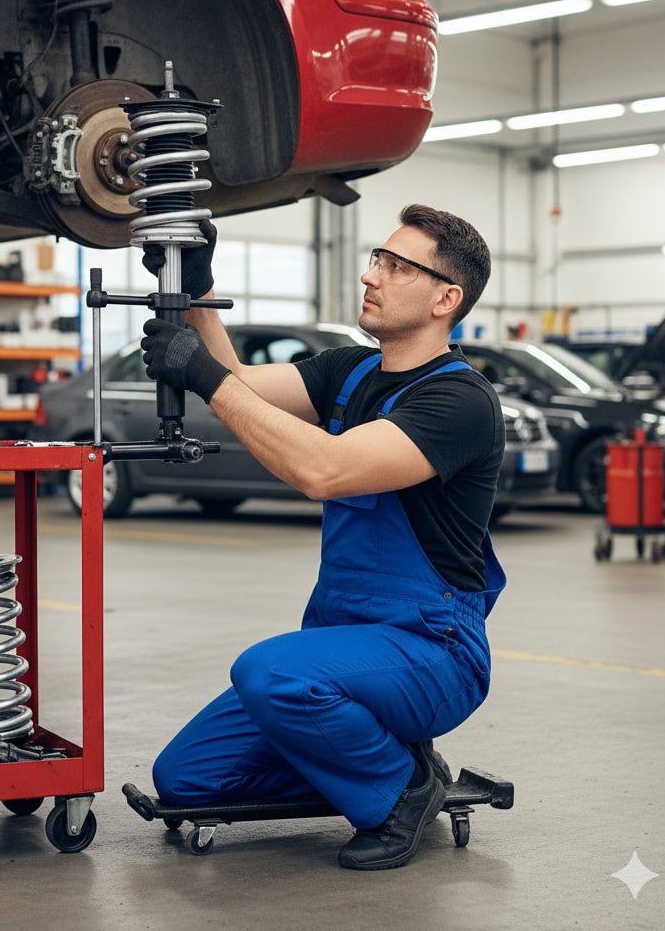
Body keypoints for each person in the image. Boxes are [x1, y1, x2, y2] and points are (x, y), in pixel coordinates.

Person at [139, 204, 506, 871]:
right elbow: (243, 387)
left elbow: (323, 470)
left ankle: (401, 791)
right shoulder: (350, 371)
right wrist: (198, 290)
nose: (373, 276)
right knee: (186, 780)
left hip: (433, 652)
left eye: (397, 267)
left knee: (268, 671)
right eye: (377, 259)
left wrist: (206, 380)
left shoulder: (459, 403)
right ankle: (380, 754)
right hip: (345, 646)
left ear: (445, 299)